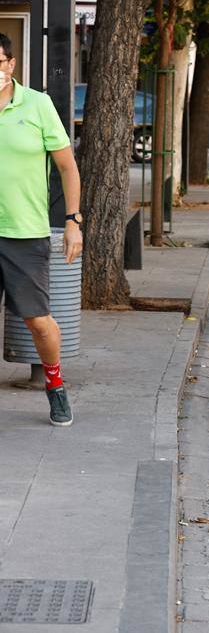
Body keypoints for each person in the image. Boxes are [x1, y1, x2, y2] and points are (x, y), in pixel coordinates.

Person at [0, 32, 82, 426]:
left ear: (11, 64)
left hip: (24, 232)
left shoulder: (37, 104)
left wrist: (73, 221)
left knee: (37, 321)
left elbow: (67, 167)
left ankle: (55, 385)